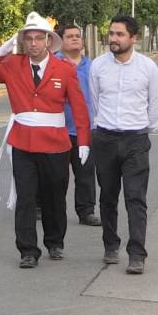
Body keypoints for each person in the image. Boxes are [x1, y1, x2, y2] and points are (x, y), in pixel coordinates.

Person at [0, 12, 91, 269]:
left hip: (55, 144)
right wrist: (1, 50)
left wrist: (83, 141)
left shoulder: (65, 69)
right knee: (26, 198)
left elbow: (79, 106)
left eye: (39, 38)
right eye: (28, 39)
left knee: (54, 196)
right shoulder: (12, 65)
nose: (33, 44)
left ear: (49, 42)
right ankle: (28, 250)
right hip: (23, 143)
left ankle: (54, 241)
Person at [89, 16, 158, 275]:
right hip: (106, 139)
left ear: (133, 38)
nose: (113, 39)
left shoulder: (147, 67)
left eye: (120, 34)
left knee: (135, 198)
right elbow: (95, 101)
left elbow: (155, 105)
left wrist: (141, 130)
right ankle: (111, 246)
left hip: (135, 141)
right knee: (108, 196)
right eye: (111, 33)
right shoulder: (98, 66)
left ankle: (136, 254)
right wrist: (105, 127)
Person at [55, 25, 101, 227]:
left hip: (84, 130)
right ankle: (46, 207)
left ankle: (86, 212)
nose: (75, 39)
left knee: (86, 174)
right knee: (55, 175)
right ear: (61, 40)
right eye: (70, 36)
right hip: (57, 130)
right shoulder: (53, 64)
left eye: (78, 36)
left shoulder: (92, 67)